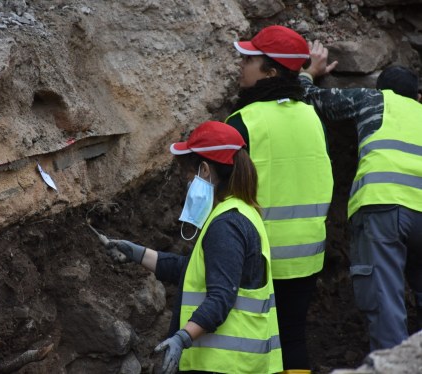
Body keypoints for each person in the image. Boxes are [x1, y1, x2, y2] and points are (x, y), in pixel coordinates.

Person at [105, 120, 282, 373]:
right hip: (237, 364)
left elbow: (221, 297)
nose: (186, 183)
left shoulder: (226, 225)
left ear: (205, 170)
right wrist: (137, 253)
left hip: (224, 365)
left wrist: (182, 337)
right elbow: (193, 271)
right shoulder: (241, 212)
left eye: (187, 174)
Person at [299, 40, 422, 351]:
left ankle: (393, 368)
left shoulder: (373, 100)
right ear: (418, 97)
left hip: (384, 208)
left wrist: (308, 73)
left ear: (382, 90)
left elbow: (311, 100)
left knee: (385, 298)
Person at [225, 25, 334, 373]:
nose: (241, 65)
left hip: (260, 255)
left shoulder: (244, 122)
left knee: (250, 340)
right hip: (307, 253)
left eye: (249, 60)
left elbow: (224, 193)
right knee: (293, 336)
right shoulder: (312, 117)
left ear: (270, 72)